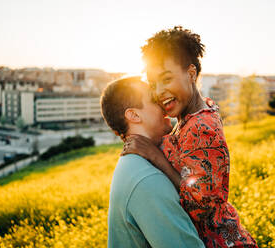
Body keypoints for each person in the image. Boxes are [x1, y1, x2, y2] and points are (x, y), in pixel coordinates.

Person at [122, 26, 258, 248]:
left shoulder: (201, 128)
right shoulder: (194, 116)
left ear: (191, 74)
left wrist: (155, 156)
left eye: (166, 79)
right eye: (154, 84)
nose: (159, 91)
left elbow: (201, 206)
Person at [100, 76, 205, 248]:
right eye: (154, 100)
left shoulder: (138, 164)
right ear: (134, 115)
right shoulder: (147, 179)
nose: (164, 104)